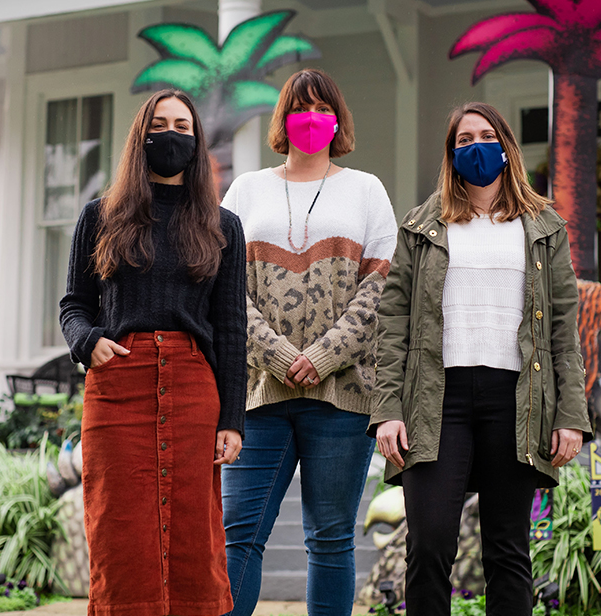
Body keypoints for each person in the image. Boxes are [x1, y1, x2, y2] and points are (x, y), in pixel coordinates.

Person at [370, 102, 591, 615]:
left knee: (508, 551)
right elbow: (394, 321)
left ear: (507, 147)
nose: (476, 147)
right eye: (463, 139)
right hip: (435, 401)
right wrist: (387, 409)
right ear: (451, 154)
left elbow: (563, 330)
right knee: (427, 546)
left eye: (485, 136)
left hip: (515, 401)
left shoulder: (543, 227)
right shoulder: (422, 226)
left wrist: (571, 416)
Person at [60, 89, 247, 616]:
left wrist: (232, 418)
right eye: (160, 124)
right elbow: (75, 304)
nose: (171, 135)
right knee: (119, 526)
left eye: (183, 126)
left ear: (196, 140)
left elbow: (232, 329)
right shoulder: (100, 216)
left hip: (193, 388)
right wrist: (87, 340)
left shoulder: (222, 225)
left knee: (194, 530)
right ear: (141, 137)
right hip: (118, 385)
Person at [220, 68, 397, 616]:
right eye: (301, 108)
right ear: (283, 119)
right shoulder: (246, 189)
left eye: (323, 108)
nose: (312, 118)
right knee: (239, 536)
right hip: (259, 398)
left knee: (330, 540)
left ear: (338, 119)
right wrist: (275, 353)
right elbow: (222, 288)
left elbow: (380, 289)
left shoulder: (366, 189)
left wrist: (321, 357)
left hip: (342, 399)